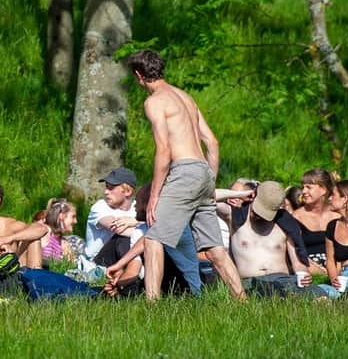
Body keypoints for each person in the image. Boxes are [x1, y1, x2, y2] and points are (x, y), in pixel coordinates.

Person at [127, 49, 245, 301]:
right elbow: (211, 142)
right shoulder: (185, 97)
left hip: (184, 171)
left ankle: (152, 307)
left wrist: (155, 194)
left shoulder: (155, 102)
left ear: (139, 75)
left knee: (153, 237)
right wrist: (208, 183)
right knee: (215, 250)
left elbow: (164, 150)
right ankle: (243, 302)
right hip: (202, 171)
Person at [217, 181, 325, 297]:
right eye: (258, 211)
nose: (260, 216)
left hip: (283, 280)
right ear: (254, 197)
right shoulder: (235, 215)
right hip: (250, 282)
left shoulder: (284, 221)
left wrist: (303, 273)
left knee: (322, 297)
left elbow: (297, 260)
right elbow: (204, 198)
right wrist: (239, 194)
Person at [105, 183, 201, 297]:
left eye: (138, 200)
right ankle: (152, 302)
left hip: (185, 290)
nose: (135, 206)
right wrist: (117, 284)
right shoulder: (139, 230)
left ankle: (153, 302)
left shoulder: (178, 225)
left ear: (149, 203)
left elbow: (151, 237)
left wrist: (119, 264)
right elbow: (134, 270)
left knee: (153, 242)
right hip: (158, 287)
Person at [84, 167, 137, 265]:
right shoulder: (100, 206)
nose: (106, 192)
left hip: (123, 257)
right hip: (98, 261)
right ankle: (136, 275)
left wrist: (135, 222)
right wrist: (143, 229)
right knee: (122, 239)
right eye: (106, 187)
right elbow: (117, 228)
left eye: (111, 188)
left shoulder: (137, 207)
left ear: (128, 191)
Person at [291, 168, 340, 275]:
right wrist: (322, 272)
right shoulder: (296, 217)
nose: (303, 191)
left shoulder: (337, 216)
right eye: (303, 187)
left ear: (323, 189)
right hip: (309, 268)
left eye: (309, 187)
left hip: (338, 268)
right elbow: (295, 251)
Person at [318, 180, 348, 299]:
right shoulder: (332, 226)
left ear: (345, 199)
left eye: (333, 195)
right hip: (344, 278)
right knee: (316, 291)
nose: (330, 198)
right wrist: (334, 281)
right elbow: (330, 260)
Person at [35, 198, 82, 263]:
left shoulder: (61, 242)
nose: (75, 221)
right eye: (73, 216)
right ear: (62, 216)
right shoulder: (45, 232)